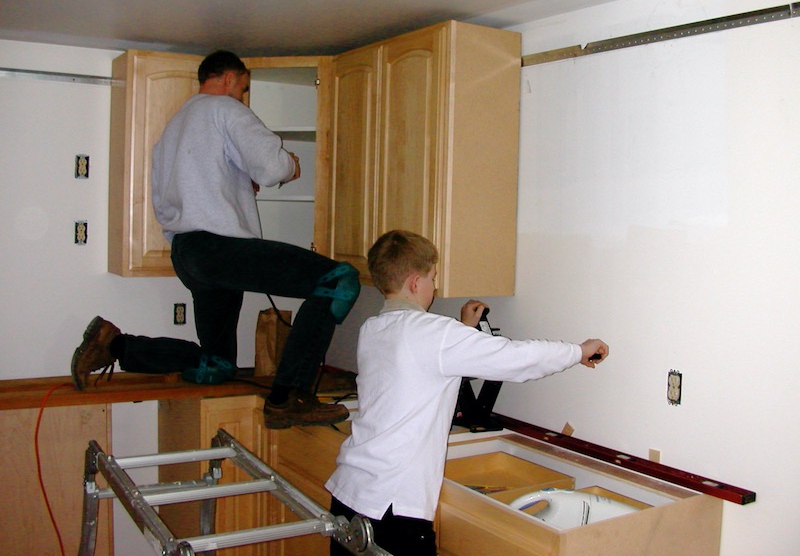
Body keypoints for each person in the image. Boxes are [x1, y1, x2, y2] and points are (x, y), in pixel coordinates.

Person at [71, 50, 360, 429]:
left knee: (217, 366)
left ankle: (117, 345)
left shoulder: (174, 128)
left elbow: (187, 187)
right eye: (242, 88)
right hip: (221, 249)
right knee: (339, 281)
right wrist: (291, 165)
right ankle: (289, 397)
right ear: (227, 79)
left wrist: (240, 182)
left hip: (189, 253)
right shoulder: (224, 109)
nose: (241, 97)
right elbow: (271, 166)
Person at [324, 230, 608, 555]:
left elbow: (424, 364)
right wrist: (577, 351)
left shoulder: (373, 329)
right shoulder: (433, 334)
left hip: (348, 495)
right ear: (416, 283)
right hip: (392, 506)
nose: (435, 285)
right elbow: (515, 359)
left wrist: (463, 331)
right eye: (432, 277)